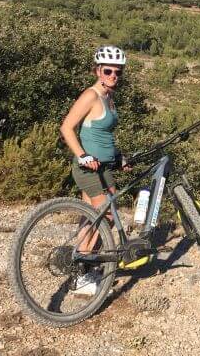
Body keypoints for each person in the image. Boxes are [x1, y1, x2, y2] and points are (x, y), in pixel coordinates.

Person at [60, 45, 129, 295]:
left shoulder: (109, 96)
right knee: (107, 216)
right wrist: (82, 155)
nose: (113, 76)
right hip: (90, 169)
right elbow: (67, 127)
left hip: (105, 167)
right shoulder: (91, 95)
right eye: (108, 70)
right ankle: (83, 274)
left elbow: (102, 134)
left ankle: (82, 269)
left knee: (91, 217)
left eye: (118, 72)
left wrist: (119, 157)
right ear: (98, 70)